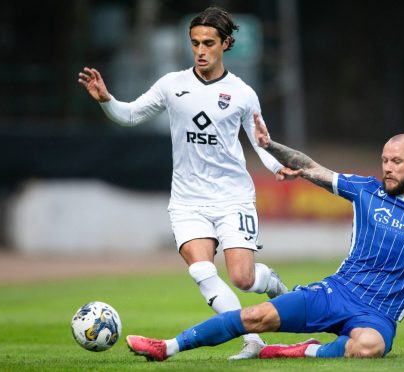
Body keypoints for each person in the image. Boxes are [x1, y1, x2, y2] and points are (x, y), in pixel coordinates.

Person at [125, 114, 404, 361]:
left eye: (396, 161)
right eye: (384, 159)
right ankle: (168, 347)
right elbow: (311, 167)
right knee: (255, 317)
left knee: (369, 347)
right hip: (336, 292)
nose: (387, 167)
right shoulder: (366, 190)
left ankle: (306, 351)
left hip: (378, 316)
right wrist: (271, 146)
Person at [78, 7, 298, 360]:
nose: (200, 50)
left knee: (243, 279)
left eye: (208, 43)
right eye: (195, 42)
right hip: (187, 200)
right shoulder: (172, 85)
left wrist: (277, 167)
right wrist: (107, 100)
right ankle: (252, 340)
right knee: (202, 270)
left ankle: (273, 284)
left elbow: (261, 141)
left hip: (233, 198)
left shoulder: (242, 93)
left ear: (226, 43)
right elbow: (130, 114)